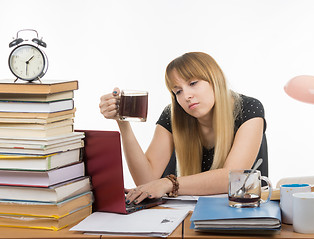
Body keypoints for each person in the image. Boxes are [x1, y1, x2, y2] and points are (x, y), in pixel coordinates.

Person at [99, 52, 266, 204]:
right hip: (189, 217)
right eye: (177, 91)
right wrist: (123, 123)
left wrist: (169, 184)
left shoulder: (248, 109)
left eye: (193, 83)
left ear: (215, 80)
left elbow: (231, 177)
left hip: (242, 211)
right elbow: (146, 180)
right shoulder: (173, 115)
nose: (186, 96)